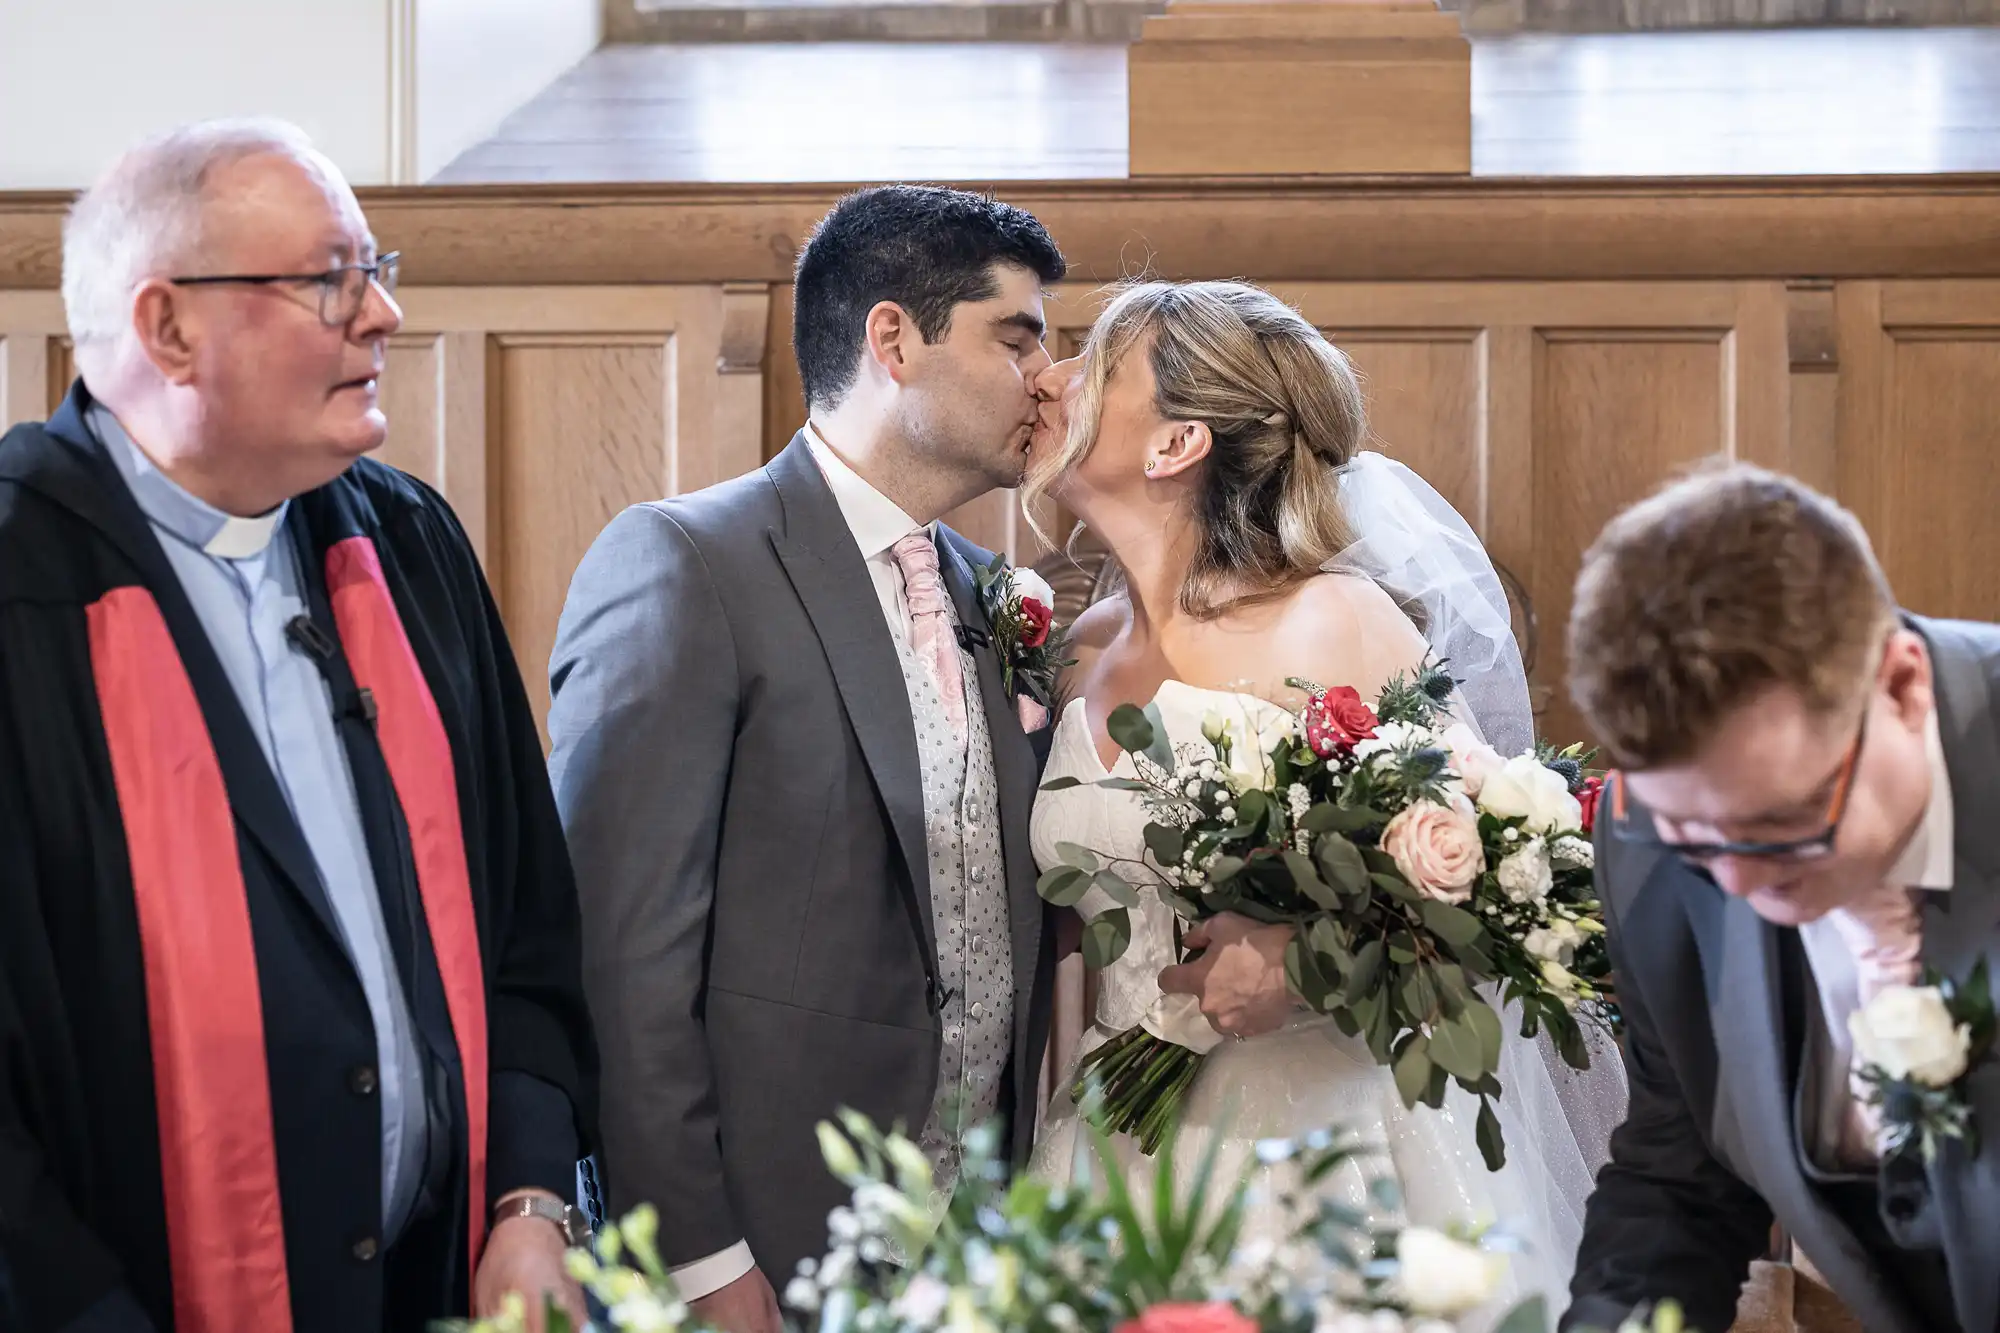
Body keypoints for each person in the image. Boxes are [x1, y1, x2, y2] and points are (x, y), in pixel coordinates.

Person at [0, 119, 599, 1333]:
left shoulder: (405, 546)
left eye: (376, 273)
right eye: (330, 279)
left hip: (439, 1287)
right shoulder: (20, 586)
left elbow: (528, 935)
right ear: (168, 326)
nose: (378, 316)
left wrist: (531, 1202)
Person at [1023, 280, 1624, 1330]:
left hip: (1312, 1148)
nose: (1050, 376)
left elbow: (1483, 900)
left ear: (1174, 445)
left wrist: (1298, 970)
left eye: (1091, 363)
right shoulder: (1077, 651)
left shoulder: (1335, 623)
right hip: (1111, 1137)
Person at [547, 185, 1067, 1333]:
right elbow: (620, 962)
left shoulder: (993, 599)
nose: (1049, 378)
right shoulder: (688, 563)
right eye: (1016, 338)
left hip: (973, 1250)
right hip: (760, 1249)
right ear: (893, 338)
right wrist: (697, 1260)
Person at [1562, 465, 2000, 1333]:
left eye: (1784, 824)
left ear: (1903, 687)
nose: (1738, 884)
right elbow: (1677, 1178)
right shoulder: (1644, 841)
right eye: (1696, 840)